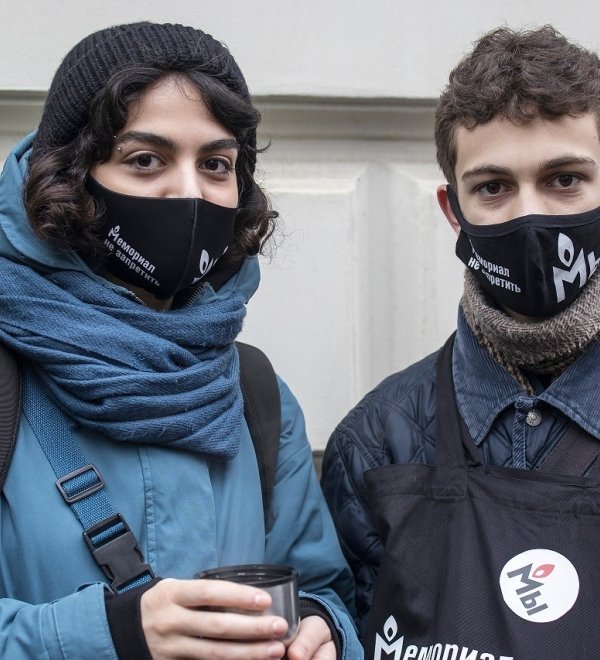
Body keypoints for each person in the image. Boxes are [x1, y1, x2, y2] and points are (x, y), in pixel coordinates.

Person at [0, 21, 362, 660]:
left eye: (216, 164)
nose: (190, 193)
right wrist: (109, 636)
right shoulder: (8, 382)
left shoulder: (253, 391)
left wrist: (322, 629)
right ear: (70, 176)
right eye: (146, 160)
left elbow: (325, 589)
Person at [321, 24, 600, 659]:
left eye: (565, 179)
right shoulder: (375, 441)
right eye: (493, 187)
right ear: (455, 211)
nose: (529, 216)